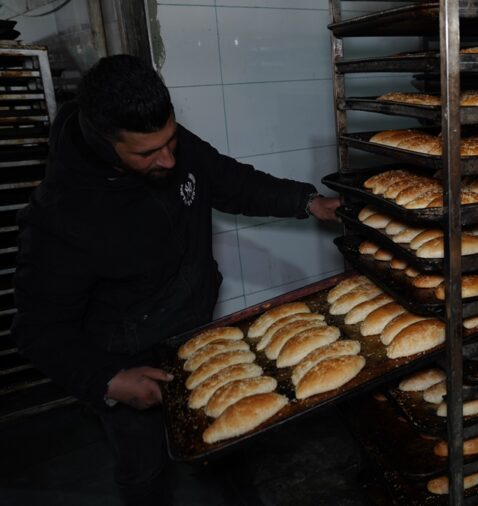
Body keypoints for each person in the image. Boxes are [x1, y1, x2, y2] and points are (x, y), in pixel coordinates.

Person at [11, 54, 340, 505]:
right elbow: (37, 328)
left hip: (194, 331)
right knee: (144, 467)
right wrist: (107, 380)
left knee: (225, 443)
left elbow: (230, 180)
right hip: (128, 358)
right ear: (106, 143)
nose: (168, 158)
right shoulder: (61, 216)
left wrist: (307, 202)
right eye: (147, 153)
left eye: (170, 141)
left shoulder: (167, 144)